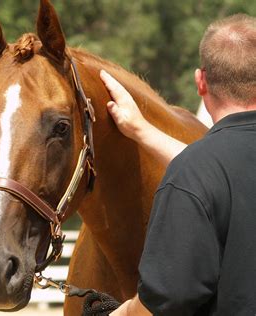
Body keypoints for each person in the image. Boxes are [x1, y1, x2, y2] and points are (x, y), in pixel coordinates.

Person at [96, 14, 256, 316]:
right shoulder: (201, 169)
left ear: (201, 81)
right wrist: (141, 130)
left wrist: (121, 312)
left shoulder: (194, 173)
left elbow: (167, 299)